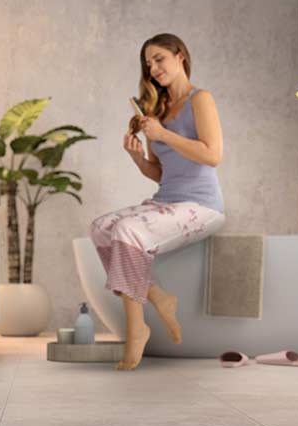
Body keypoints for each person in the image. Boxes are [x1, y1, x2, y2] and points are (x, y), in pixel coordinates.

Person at [89, 33, 226, 370]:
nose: (153, 68)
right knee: (101, 227)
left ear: (180, 56)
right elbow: (162, 173)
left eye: (159, 59)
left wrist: (163, 134)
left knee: (128, 231)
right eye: (148, 64)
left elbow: (213, 155)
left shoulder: (200, 99)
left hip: (203, 206)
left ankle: (137, 329)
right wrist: (137, 157)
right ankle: (156, 294)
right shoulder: (157, 110)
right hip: (167, 199)